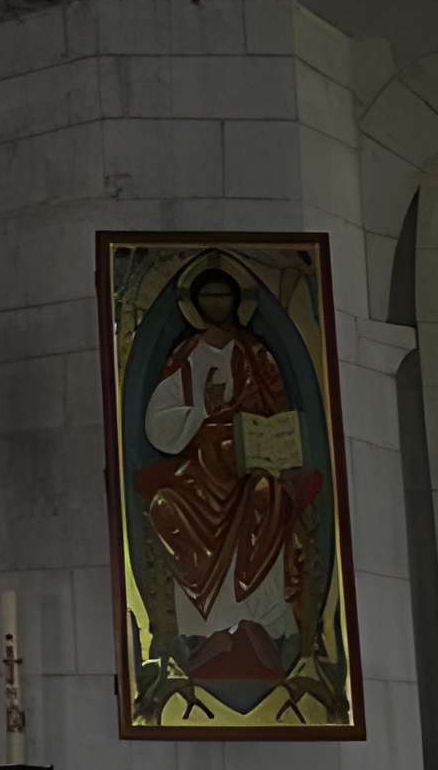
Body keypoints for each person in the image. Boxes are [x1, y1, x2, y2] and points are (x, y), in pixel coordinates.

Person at [135, 264, 323, 683]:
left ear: (236, 302)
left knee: (266, 494)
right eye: (209, 297)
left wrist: (263, 431)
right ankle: (206, 631)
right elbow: (158, 421)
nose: (217, 304)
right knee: (171, 505)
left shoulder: (255, 353)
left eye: (223, 297)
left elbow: (279, 408)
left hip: (252, 458)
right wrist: (204, 408)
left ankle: (262, 622)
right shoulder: (187, 356)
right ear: (196, 305)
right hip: (204, 462)